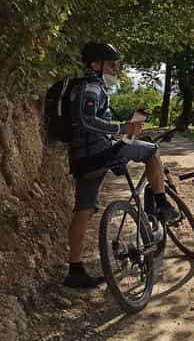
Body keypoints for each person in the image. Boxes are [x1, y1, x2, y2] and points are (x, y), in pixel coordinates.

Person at [63, 42, 180, 289]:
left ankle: (75, 270)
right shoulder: (91, 87)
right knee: (152, 152)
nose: (116, 69)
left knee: (83, 208)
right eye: (112, 64)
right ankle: (161, 204)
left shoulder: (84, 87)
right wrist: (122, 129)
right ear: (95, 65)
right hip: (99, 152)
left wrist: (124, 131)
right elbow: (87, 119)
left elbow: (89, 124)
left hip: (82, 158)